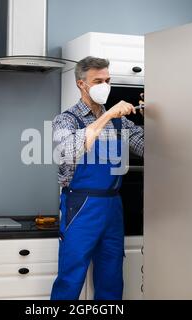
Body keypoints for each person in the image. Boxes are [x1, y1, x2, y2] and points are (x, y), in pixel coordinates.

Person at [51, 56, 144, 300]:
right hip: (81, 206)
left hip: (112, 207)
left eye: (108, 80)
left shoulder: (120, 123)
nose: (105, 85)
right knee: (70, 278)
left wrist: (156, 111)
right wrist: (107, 115)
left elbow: (149, 147)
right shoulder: (67, 120)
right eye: (98, 81)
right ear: (81, 84)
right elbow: (67, 151)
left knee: (111, 279)